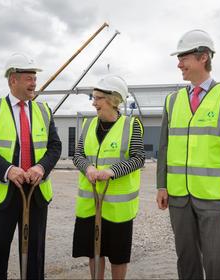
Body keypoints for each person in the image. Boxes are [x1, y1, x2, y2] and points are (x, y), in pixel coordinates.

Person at [156, 29, 220, 279]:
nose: (179, 64)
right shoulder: (172, 101)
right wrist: (162, 185)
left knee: (217, 262)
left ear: (203, 57)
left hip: (216, 199)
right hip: (179, 196)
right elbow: (164, 147)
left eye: (184, 57)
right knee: (186, 260)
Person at [0, 53, 61, 279]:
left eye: (35, 77)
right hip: (3, 194)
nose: (34, 83)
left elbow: (55, 146)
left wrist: (41, 168)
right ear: (13, 80)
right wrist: (8, 170)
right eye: (29, 78)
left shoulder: (44, 110)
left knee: (35, 256)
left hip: (36, 192)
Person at [72, 75, 145, 280]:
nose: (94, 102)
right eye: (93, 98)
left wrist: (111, 172)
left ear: (113, 100)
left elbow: (139, 158)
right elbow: (78, 155)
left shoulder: (131, 126)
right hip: (90, 204)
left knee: (118, 255)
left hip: (118, 209)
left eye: (98, 98)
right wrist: (88, 169)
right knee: (95, 251)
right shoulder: (87, 125)